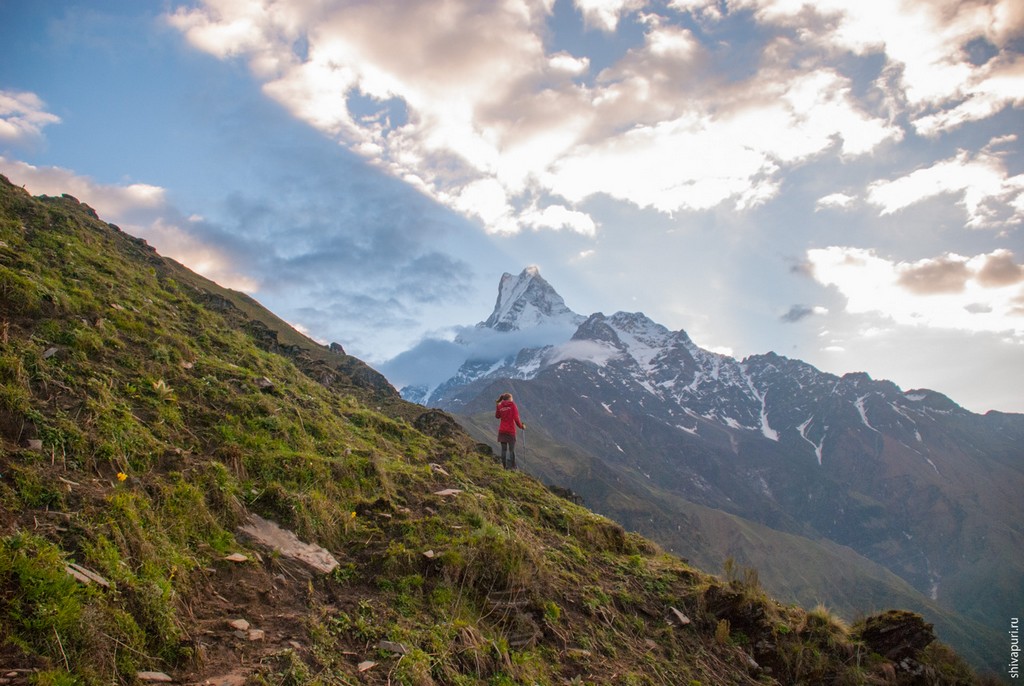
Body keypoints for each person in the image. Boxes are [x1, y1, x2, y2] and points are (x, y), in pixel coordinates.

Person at [495, 392, 526, 470]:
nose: (512, 400)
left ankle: (504, 467)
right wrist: (521, 426)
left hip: (502, 430)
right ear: (509, 399)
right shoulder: (512, 405)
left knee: (503, 450)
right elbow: (516, 418)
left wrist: (497, 406)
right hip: (510, 431)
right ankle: (513, 467)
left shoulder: (500, 406)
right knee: (511, 450)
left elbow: (497, 416)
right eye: (512, 398)